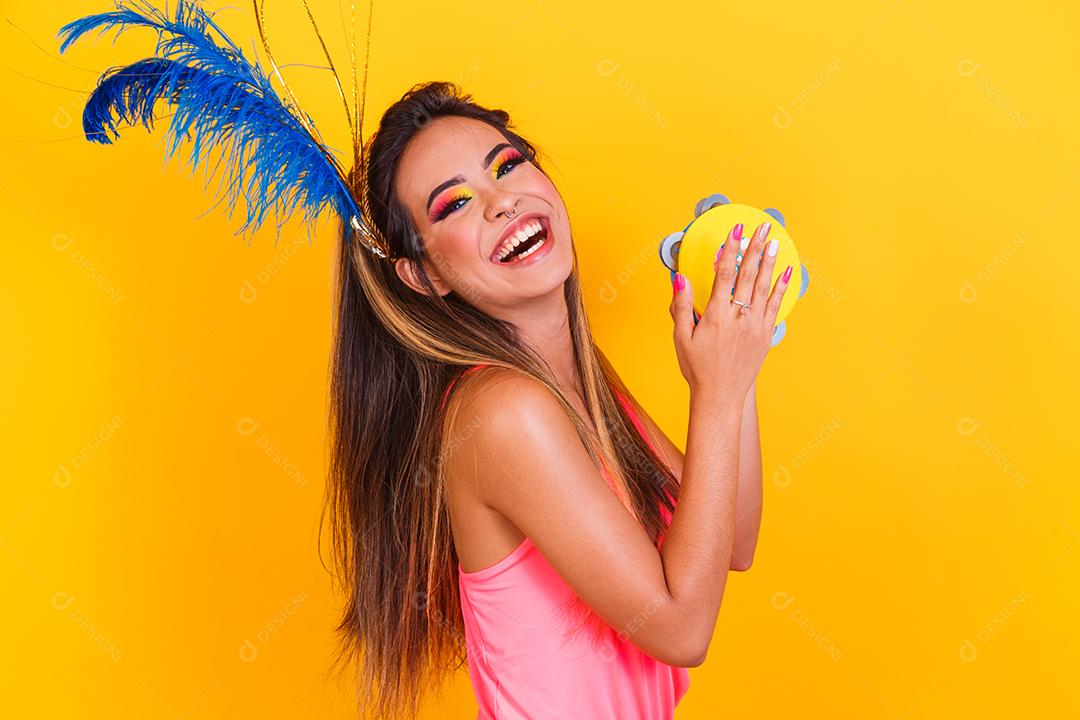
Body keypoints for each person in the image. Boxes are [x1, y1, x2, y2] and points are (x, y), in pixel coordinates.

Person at [322, 81, 794, 719]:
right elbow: (683, 629)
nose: (501, 201)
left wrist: (737, 344)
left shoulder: (577, 381)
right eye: (454, 204)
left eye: (508, 165)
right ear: (423, 274)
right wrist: (717, 391)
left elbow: (730, 542)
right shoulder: (502, 412)